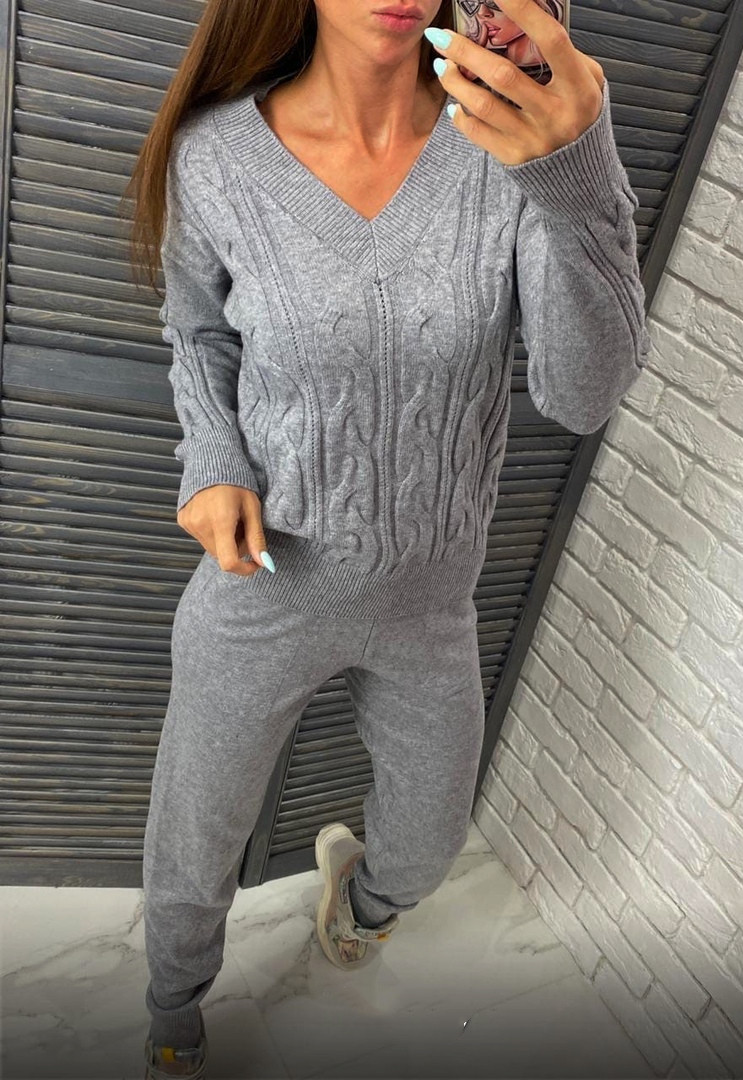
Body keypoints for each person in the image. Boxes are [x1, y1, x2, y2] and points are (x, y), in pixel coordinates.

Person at [125, 0, 650, 1074]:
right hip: (267, 584)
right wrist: (214, 460)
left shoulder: (507, 143)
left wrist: (577, 178)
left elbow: (581, 393)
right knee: (196, 835)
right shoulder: (216, 157)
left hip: (429, 602)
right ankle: (173, 1006)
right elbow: (197, 332)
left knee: (427, 843)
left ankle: (359, 907)